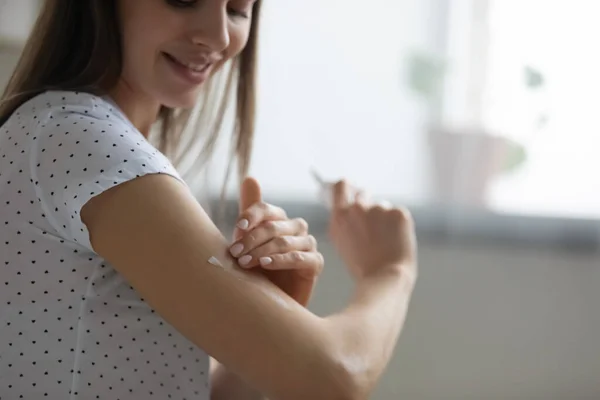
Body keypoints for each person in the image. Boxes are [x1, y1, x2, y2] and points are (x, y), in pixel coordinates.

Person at [0, 1, 418, 399]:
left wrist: (274, 307)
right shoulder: (84, 142)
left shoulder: (72, 138)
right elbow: (334, 379)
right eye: (183, 0)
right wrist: (390, 271)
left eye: (237, 9)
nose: (218, 36)